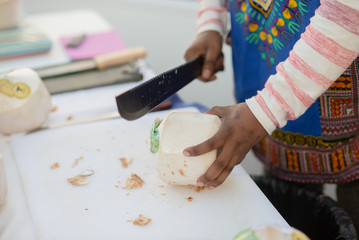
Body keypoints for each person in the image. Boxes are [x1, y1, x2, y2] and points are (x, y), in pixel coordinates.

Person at [183, 0, 359, 233]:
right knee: (284, 223)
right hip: (267, 105)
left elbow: (346, 15)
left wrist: (264, 111)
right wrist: (210, 24)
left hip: (343, 109)